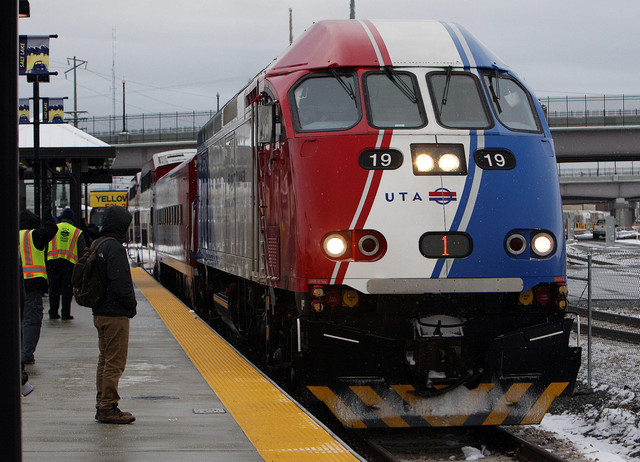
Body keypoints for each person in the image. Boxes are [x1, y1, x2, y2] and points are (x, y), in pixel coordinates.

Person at [93, 206, 137, 424]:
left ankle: (102, 403)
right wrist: (131, 306)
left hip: (100, 312)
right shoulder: (115, 249)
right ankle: (108, 407)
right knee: (115, 362)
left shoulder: (98, 244)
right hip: (115, 314)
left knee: (104, 360)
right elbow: (121, 284)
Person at [19, 207, 58, 365]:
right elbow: (52, 229)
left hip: (14, 285)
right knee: (32, 320)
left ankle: (18, 352)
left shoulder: (11, 234)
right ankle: (26, 354)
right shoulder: (32, 235)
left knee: (18, 320)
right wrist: (47, 214)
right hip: (32, 284)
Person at [46, 208, 86, 320]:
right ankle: (65, 313)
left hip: (53, 262)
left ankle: (53, 312)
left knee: (54, 289)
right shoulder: (77, 232)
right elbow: (82, 251)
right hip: (69, 264)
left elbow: (45, 246)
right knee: (67, 290)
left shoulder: (53, 229)